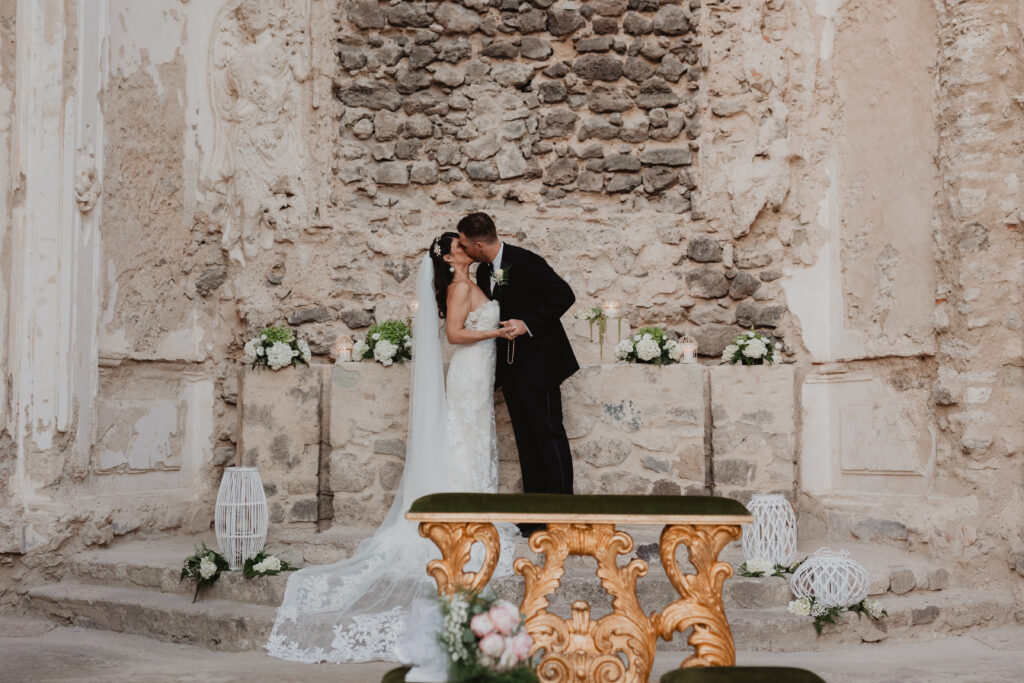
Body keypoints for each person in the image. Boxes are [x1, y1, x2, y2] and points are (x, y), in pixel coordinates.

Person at [266, 232, 516, 665]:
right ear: (451, 256)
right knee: (462, 436)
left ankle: (477, 507)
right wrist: (498, 330)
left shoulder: (474, 283)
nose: (468, 249)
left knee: (474, 438)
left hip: (481, 372)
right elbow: (455, 336)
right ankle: (461, 512)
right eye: (460, 246)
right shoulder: (459, 287)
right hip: (468, 372)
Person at [458, 212, 579, 536]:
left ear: (478, 243)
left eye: (466, 245)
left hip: (540, 365)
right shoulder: (484, 270)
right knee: (526, 442)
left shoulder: (525, 261)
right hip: (510, 371)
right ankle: (535, 515)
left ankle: (562, 516)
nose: (465, 250)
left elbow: (564, 295)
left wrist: (527, 323)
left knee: (549, 437)